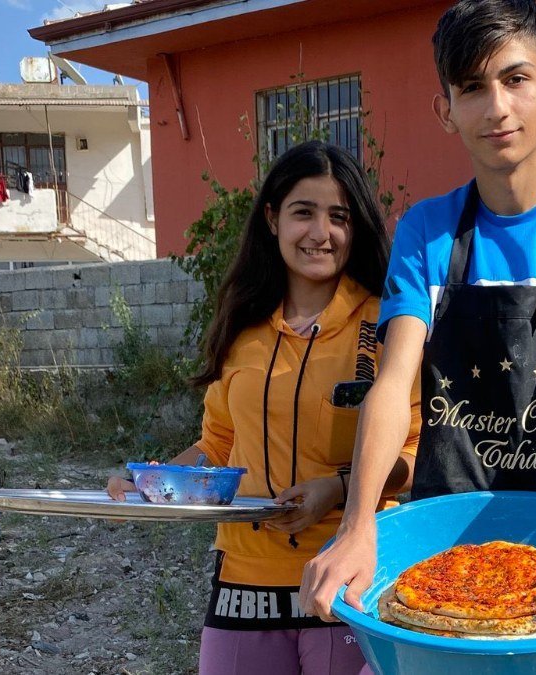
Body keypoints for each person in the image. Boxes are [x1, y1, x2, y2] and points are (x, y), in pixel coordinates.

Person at [300, 0, 536, 640]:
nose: (497, 107)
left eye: (516, 79)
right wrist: (358, 522)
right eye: (472, 88)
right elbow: (392, 385)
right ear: (444, 110)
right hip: (447, 545)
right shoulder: (426, 231)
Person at [107, 140, 420, 674]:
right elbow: (217, 445)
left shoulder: (390, 323)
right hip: (243, 586)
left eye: (338, 217)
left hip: (345, 581)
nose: (321, 233)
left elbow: (414, 452)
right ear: (273, 219)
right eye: (304, 212)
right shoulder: (243, 327)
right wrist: (150, 481)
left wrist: (339, 488)